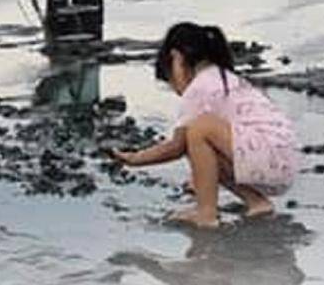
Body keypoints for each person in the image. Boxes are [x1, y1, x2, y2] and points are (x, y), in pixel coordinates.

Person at [109, 22, 298, 228]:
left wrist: (135, 159)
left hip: (266, 156)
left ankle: (206, 213)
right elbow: (206, 151)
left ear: (177, 59)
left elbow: (177, 146)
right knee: (201, 136)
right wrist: (199, 180)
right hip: (280, 162)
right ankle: (257, 202)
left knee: (198, 129)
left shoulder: (200, 88)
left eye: (171, 81)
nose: (177, 92)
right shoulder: (224, 78)